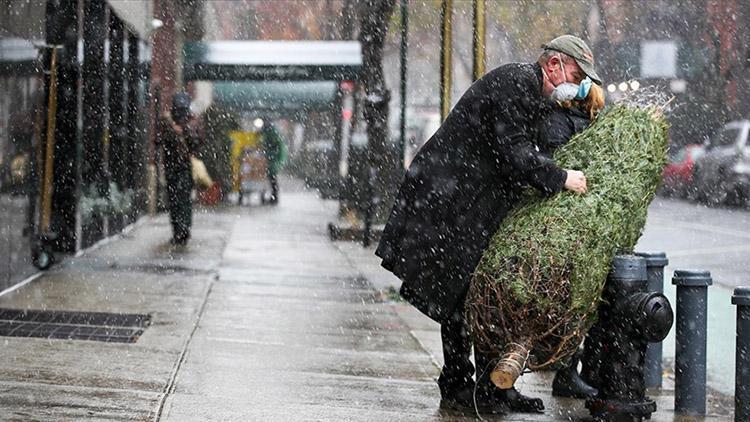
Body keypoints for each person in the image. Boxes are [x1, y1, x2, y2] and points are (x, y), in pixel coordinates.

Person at [375, 35, 601, 415]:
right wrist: (562, 178)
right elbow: (514, 151)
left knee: (478, 293)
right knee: (459, 293)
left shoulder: (529, 90)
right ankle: (460, 385)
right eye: (575, 74)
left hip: (466, 197)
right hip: (449, 199)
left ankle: (492, 387)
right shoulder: (516, 84)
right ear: (553, 66)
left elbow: (519, 151)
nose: (576, 84)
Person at [538, 82, 606, 399]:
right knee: (567, 293)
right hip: (564, 216)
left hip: (571, 215)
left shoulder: (577, 119)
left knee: (569, 294)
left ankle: (567, 367)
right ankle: (565, 368)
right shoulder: (560, 120)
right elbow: (558, 158)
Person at [158, 92, 199, 246]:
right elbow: (158, 140)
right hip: (173, 167)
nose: (180, 112)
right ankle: (179, 230)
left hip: (184, 167)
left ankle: (183, 230)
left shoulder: (191, 121)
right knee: (177, 200)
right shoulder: (167, 121)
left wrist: (184, 131)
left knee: (182, 200)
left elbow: (197, 142)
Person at [261, 120, 287, 204]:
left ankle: (273, 197)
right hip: (271, 161)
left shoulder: (271, 134)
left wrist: (269, 155)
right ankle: (273, 197)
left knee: (271, 180)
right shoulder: (270, 133)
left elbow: (275, 146)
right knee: (271, 180)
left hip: (272, 161)